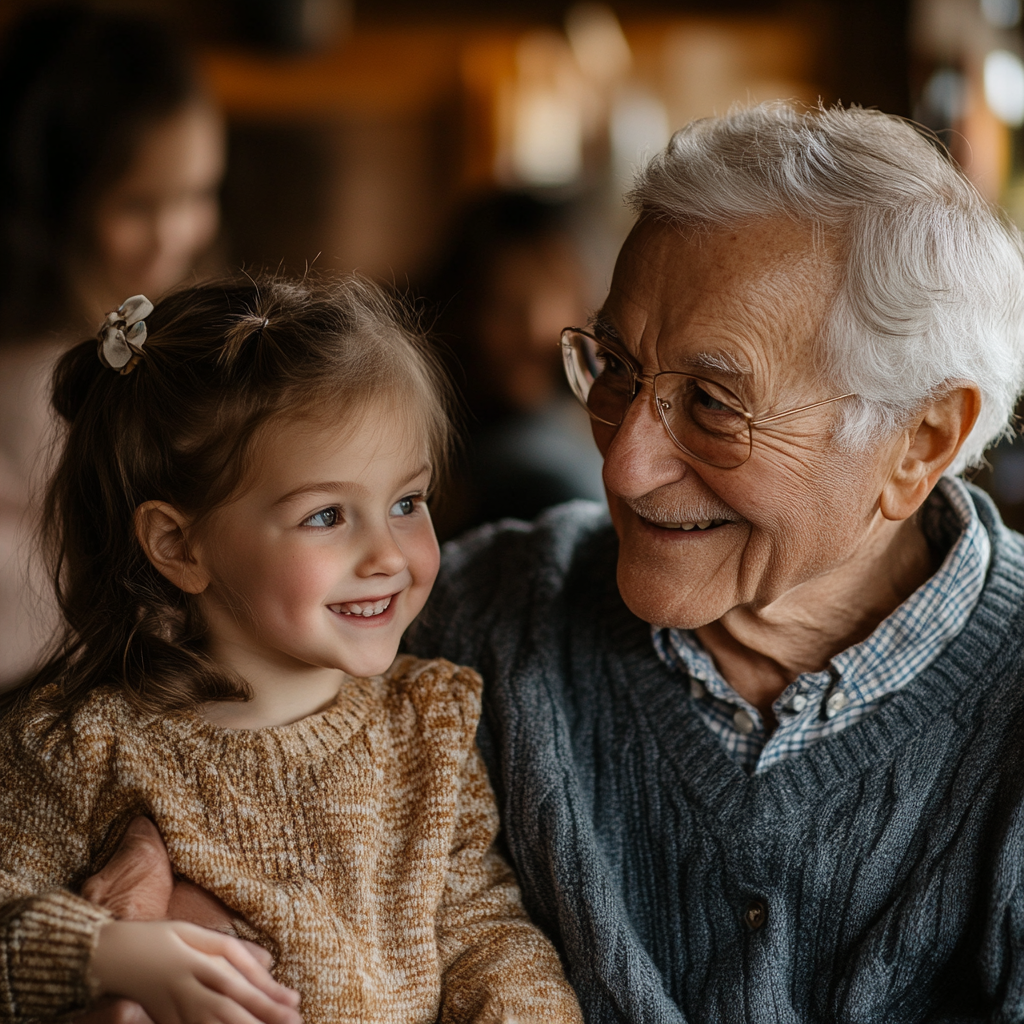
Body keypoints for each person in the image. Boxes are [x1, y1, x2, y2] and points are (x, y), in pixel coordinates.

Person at [405, 104, 1024, 1021]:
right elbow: (188, 721)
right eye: (614, 365)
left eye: (712, 403)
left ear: (919, 441)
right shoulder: (474, 620)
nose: (622, 465)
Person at [0, 274, 582, 1024]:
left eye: (408, 502)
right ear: (179, 546)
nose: (387, 554)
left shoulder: (426, 725)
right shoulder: (80, 747)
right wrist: (106, 952)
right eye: (327, 515)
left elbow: (481, 931)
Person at [0, 5, 226, 687]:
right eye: (137, 206)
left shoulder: (148, 338)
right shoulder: (42, 382)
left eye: (197, 194)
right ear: (59, 206)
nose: (174, 235)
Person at [425, 192, 603, 539]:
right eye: (505, 306)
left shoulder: (586, 422)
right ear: (461, 313)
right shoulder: (530, 476)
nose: (534, 331)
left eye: (552, 299)